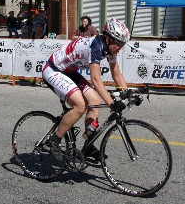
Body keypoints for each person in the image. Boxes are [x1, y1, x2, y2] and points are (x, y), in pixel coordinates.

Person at [41, 17, 129, 162]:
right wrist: (112, 104)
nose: (121, 47)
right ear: (108, 39)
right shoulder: (96, 46)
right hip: (53, 69)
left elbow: (116, 73)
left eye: (123, 44)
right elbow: (95, 79)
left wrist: (127, 92)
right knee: (80, 105)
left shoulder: (110, 49)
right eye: (119, 44)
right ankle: (54, 140)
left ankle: (88, 145)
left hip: (69, 71)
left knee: (94, 101)